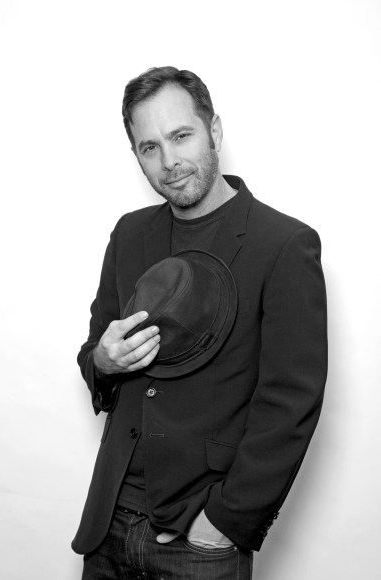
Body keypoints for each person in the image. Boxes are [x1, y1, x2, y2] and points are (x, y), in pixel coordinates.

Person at [72, 66, 328, 579]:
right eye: (149, 147)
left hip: (200, 536)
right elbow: (94, 351)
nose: (168, 161)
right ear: (136, 155)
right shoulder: (129, 233)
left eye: (181, 136)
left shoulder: (284, 245)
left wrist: (225, 522)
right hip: (109, 520)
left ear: (214, 130)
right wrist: (103, 359)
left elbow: (290, 403)